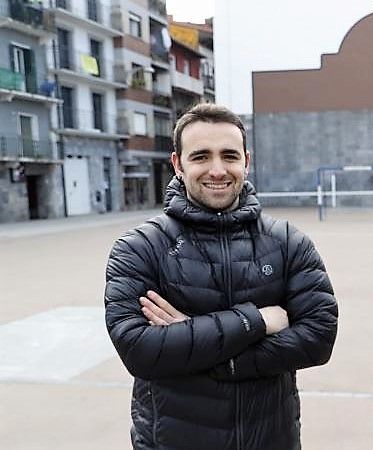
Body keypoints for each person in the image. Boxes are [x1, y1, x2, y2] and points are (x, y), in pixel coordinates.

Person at [104, 103, 338, 450]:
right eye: (201, 157)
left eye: (229, 156)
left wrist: (205, 349)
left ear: (246, 161)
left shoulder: (288, 242)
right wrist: (255, 321)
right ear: (178, 164)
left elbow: (318, 338)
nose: (217, 170)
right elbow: (139, 350)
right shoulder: (139, 248)